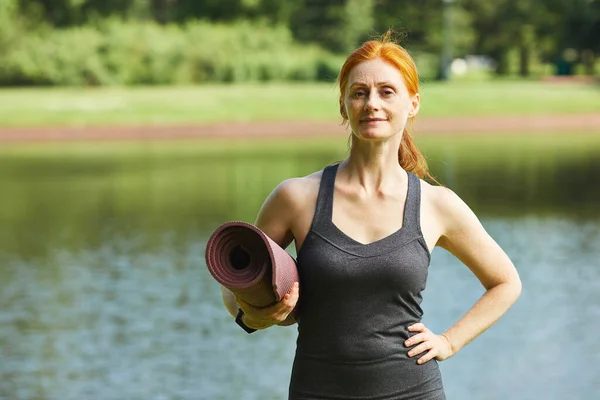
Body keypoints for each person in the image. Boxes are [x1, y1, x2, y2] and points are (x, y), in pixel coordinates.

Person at [221, 31, 522, 400]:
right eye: (359, 92)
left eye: (387, 91)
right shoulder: (295, 198)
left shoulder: (436, 204)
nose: (371, 103)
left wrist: (448, 341)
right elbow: (235, 286)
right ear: (344, 105)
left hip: (414, 390)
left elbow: (506, 283)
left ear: (413, 104)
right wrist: (255, 316)